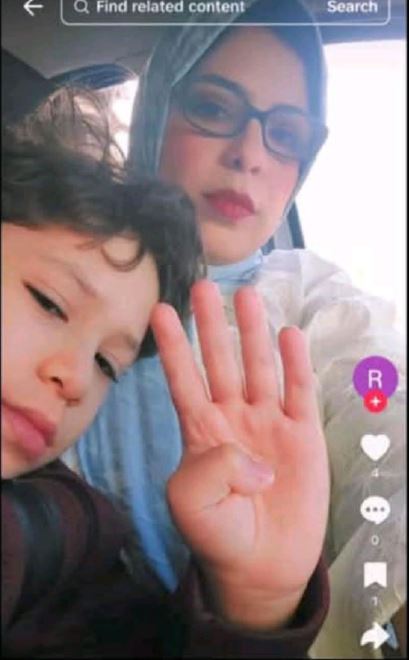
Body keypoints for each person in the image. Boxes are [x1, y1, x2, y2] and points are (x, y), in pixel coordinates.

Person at [69, 0, 406, 657]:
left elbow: (380, 398)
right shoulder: (59, 275)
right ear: (156, 113)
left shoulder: (313, 300)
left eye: (286, 134)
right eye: (214, 107)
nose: (248, 154)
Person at [2, 89, 330, 657]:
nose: (75, 379)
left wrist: (255, 605)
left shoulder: (67, 538)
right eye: (49, 302)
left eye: (107, 364)